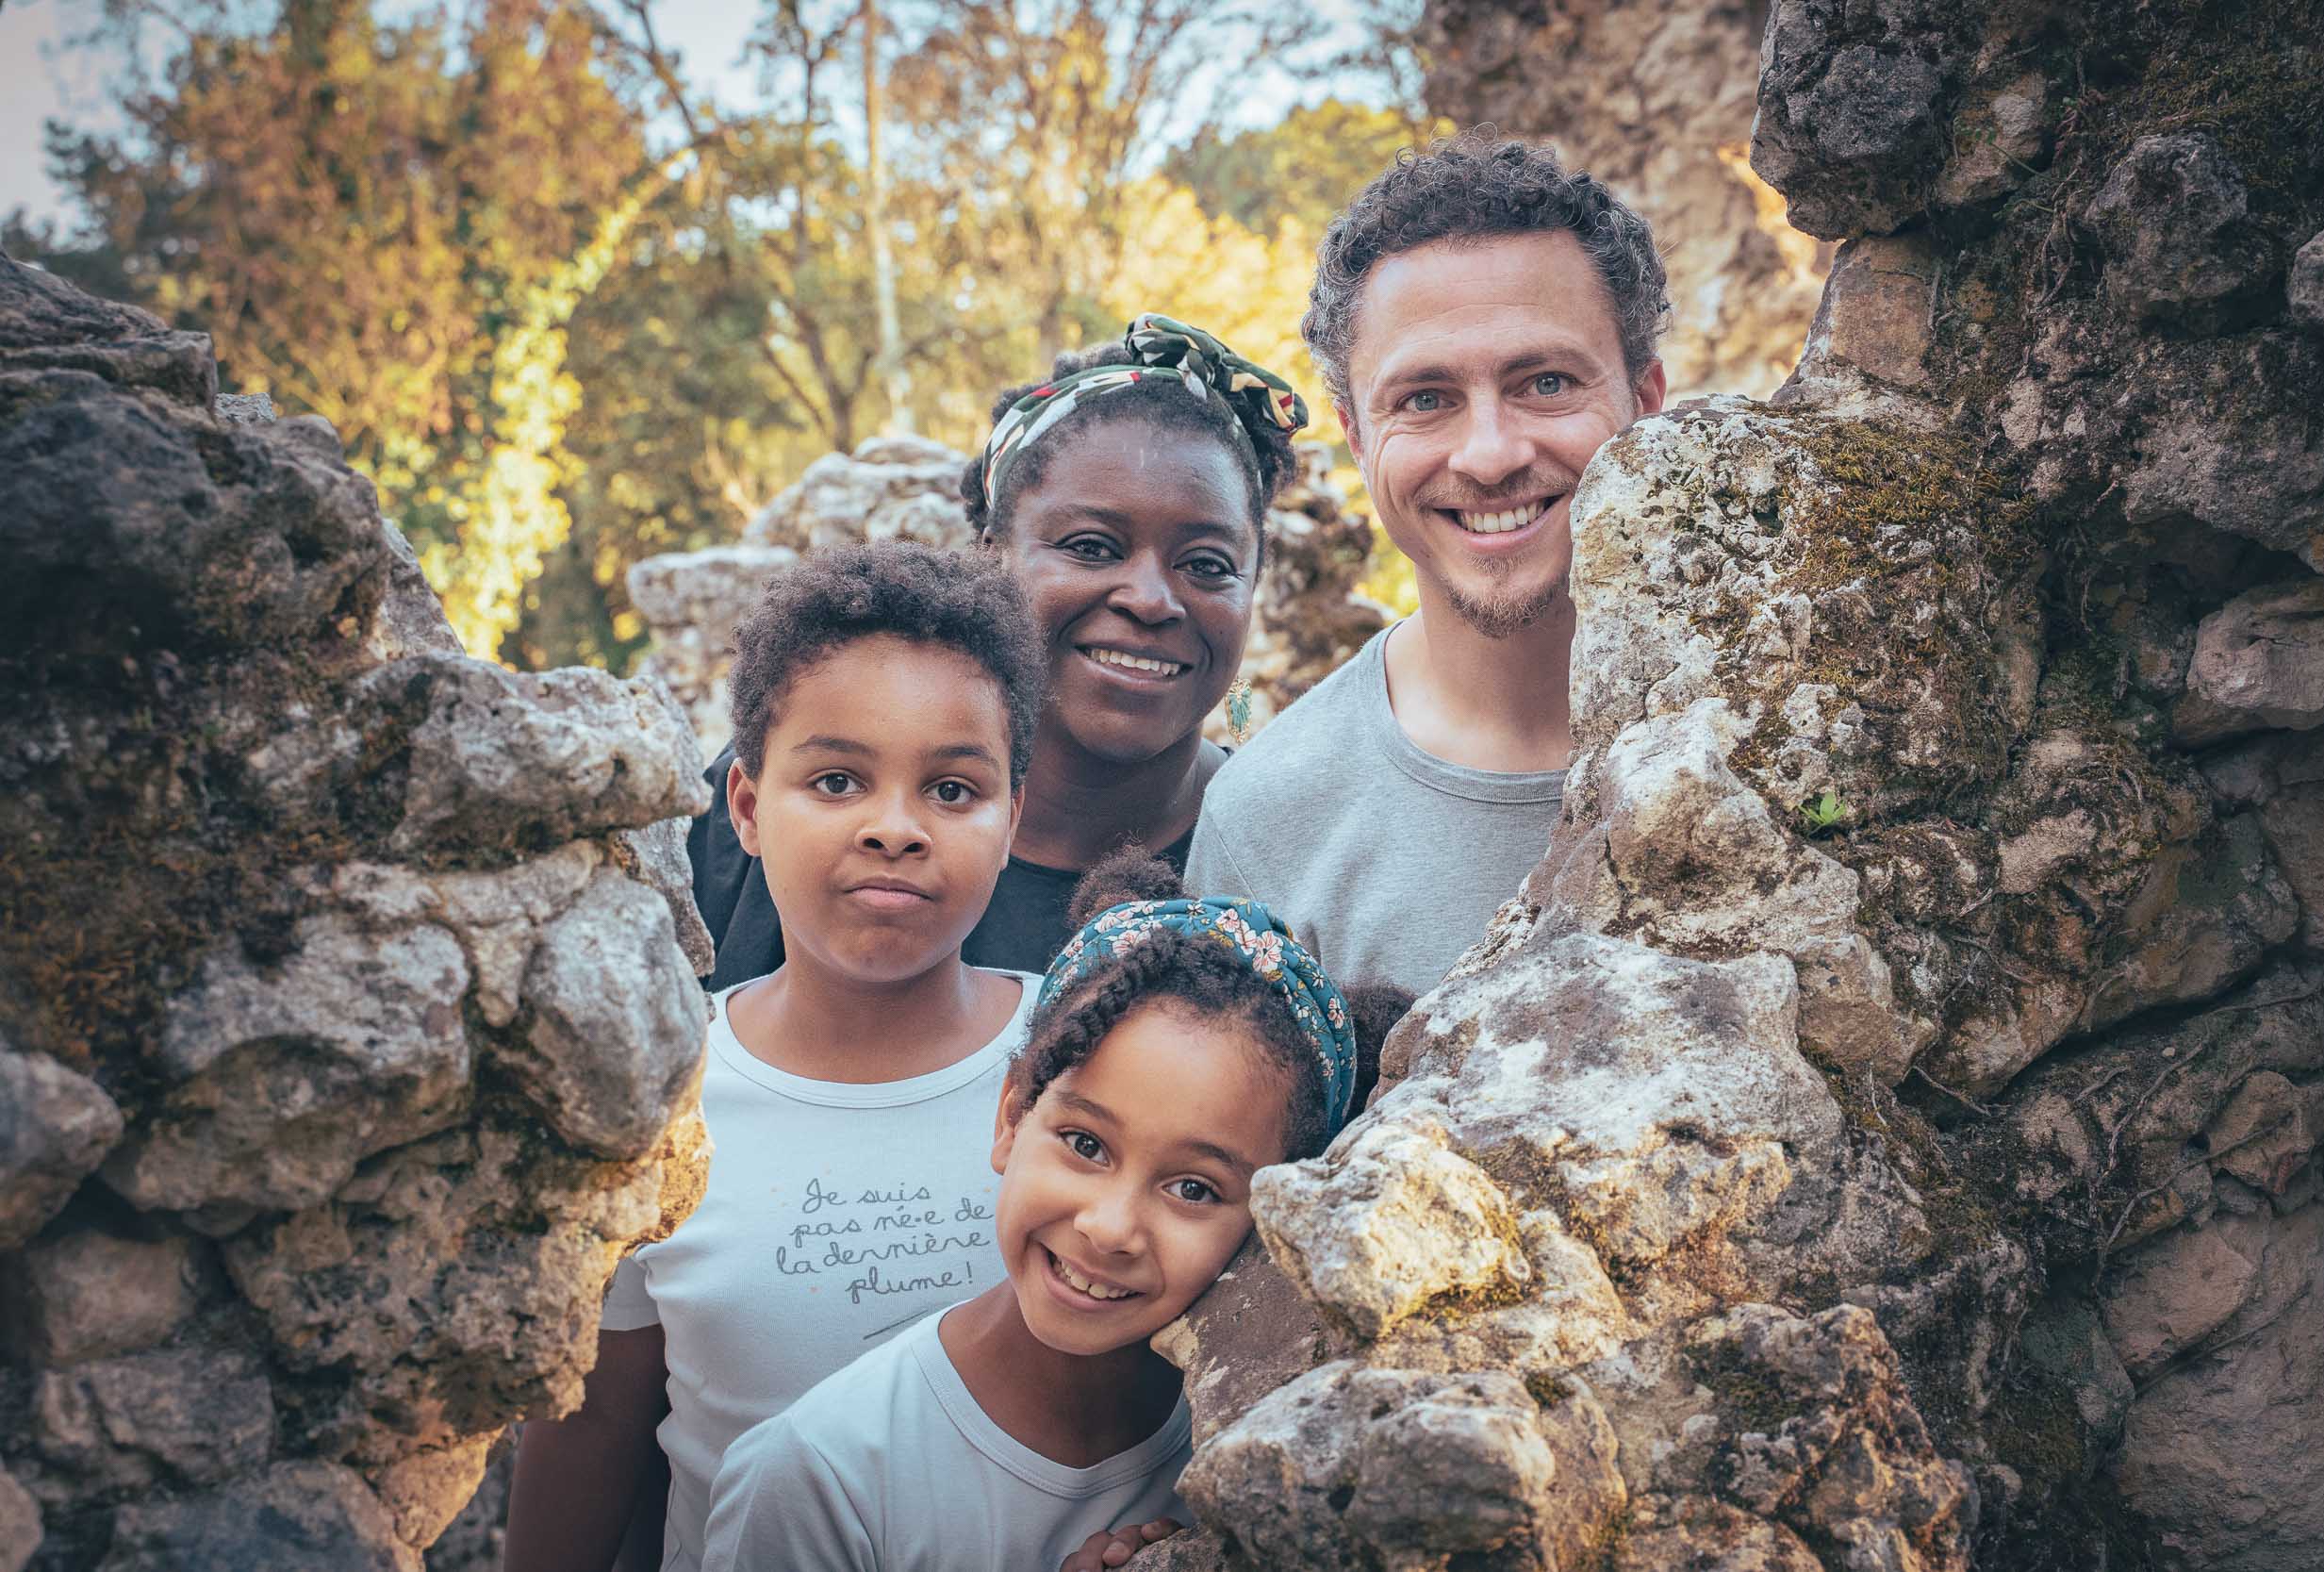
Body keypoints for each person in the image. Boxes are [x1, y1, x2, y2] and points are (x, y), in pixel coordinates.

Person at [504, 542, 1049, 1572]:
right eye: (838, 779)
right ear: (747, 807)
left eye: (952, 788)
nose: (895, 827)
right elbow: (591, 1424)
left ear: (1013, 818)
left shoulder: (1080, 1063)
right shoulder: (663, 1085)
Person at [700, 852, 1408, 1572]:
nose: (1108, 1225)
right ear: (1012, 1115)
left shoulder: (1287, 1447)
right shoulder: (821, 1476)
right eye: (1084, 1143)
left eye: (1193, 1188)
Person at [1184, 133, 1672, 999]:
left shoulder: (1785, 728)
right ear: (1357, 433)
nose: (1488, 455)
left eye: (1546, 382)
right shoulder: (1266, 824)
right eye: (1425, 400)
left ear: (1647, 399)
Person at [692, 313, 1304, 985]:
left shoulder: (1282, 858)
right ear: (991, 557)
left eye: (1209, 563)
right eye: (1091, 546)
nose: (1152, 598)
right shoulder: (777, 807)